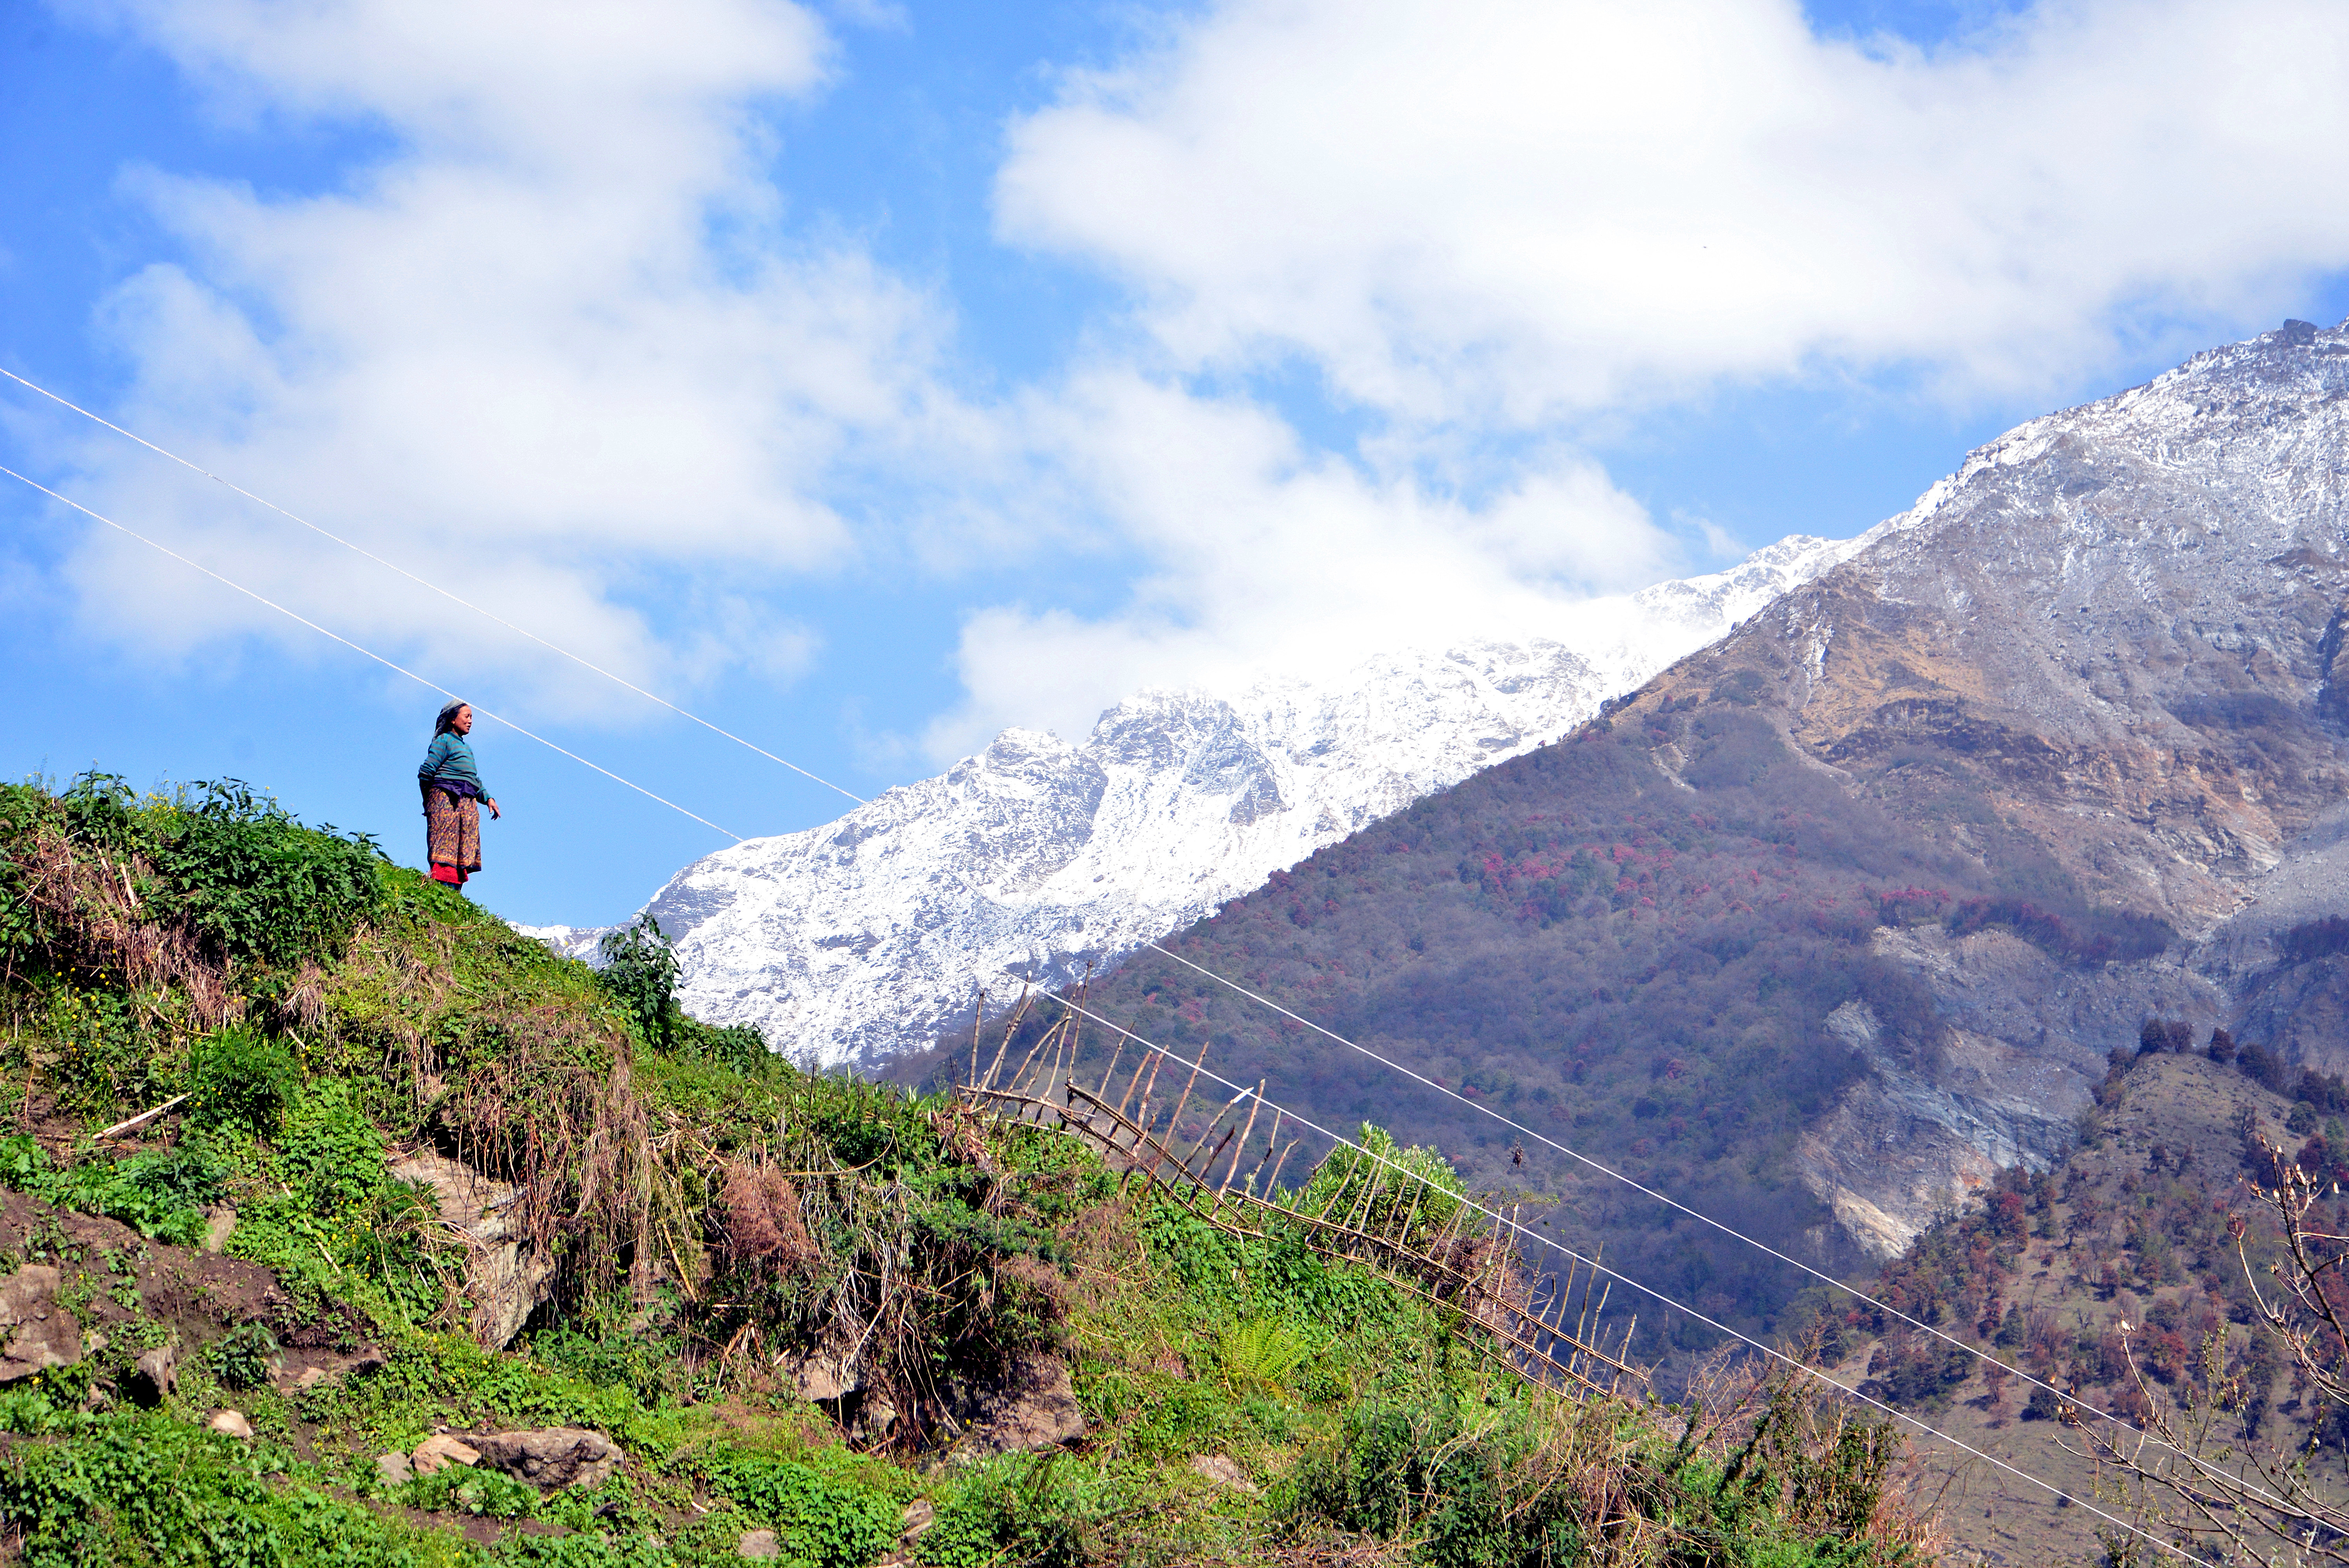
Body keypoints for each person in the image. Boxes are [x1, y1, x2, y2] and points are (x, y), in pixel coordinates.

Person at [419, 700, 501, 889]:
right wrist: (430, 800)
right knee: (444, 847)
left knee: (460, 851)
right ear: (453, 719)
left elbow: (473, 780)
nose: (471, 721)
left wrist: (489, 798)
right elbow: (426, 772)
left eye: (472, 717)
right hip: (446, 801)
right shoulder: (444, 741)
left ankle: (453, 896)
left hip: (466, 806)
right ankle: (439, 889)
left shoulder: (467, 749)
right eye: (467, 716)